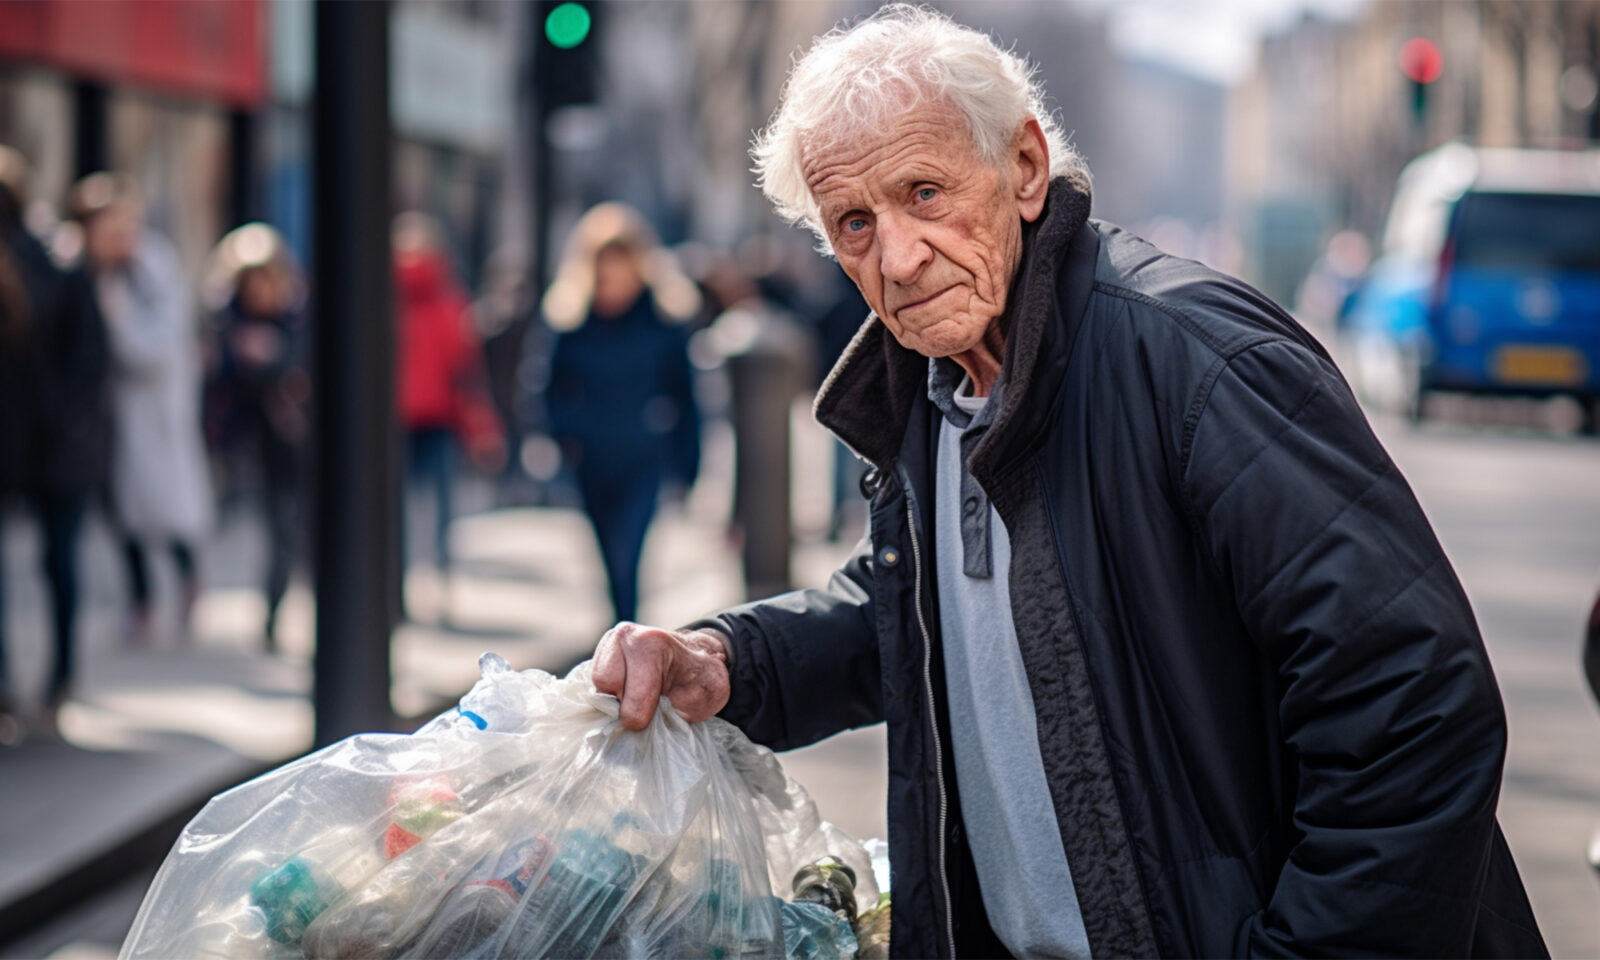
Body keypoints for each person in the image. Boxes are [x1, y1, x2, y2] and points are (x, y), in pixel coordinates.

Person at [590, 7, 1545, 957]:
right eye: (853, 223)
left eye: (924, 193)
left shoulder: (1195, 360)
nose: (897, 257)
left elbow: (1414, 702)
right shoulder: (940, 382)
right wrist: (729, 658)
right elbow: (928, 608)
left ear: (1026, 169)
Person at [69, 173, 213, 644]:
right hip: (107, 418)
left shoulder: (152, 270)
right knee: (123, 517)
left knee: (166, 514)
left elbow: (153, 348)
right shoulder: (89, 271)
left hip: (154, 415)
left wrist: (118, 321)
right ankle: (143, 602)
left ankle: (186, 586)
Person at [542, 203, 702, 625]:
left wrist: (689, 467)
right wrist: (565, 439)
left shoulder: (663, 321)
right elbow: (545, 388)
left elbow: (687, 398)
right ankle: (621, 633)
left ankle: (626, 634)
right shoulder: (570, 321)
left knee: (627, 552)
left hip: (643, 458)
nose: (611, 281)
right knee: (606, 558)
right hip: (591, 460)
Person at [0, 147, 109, 739]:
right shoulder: (57, 263)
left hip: (43, 444)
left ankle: (33, 680)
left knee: (55, 562)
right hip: (46, 445)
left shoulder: (54, 266)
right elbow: (91, 360)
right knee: (55, 563)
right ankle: (53, 677)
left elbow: (86, 358)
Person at [204, 224, 308, 650]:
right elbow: (215, 387)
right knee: (276, 529)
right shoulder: (226, 323)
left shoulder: (297, 320)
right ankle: (271, 616)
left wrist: (275, 357)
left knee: (291, 531)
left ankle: (280, 612)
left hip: (294, 444)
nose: (259, 289)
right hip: (251, 446)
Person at [393, 213, 503, 611]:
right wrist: (481, 426)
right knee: (429, 509)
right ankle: (429, 581)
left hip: (425, 420)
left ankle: (417, 583)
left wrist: (479, 426)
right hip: (422, 419)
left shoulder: (442, 302)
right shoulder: (446, 301)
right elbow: (466, 373)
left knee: (416, 510)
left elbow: (462, 371)